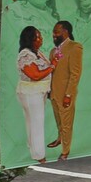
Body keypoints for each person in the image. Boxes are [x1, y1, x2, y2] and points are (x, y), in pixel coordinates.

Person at [13, 25, 53, 164]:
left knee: (33, 121)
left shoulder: (37, 53)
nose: (41, 39)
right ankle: (39, 155)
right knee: (36, 122)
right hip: (31, 93)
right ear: (30, 39)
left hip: (39, 92)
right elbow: (35, 75)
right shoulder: (26, 55)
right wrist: (52, 67)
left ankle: (34, 150)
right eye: (38, 36)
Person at [48, 20, 83, 159]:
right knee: (58, 120)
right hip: (54, 93)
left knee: (67, 123)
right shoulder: (53, 51)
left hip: (65, 94)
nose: (54, 34)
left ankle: (65, 150)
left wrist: (68, 94)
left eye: (57, 32)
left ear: (66, 32)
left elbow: (75, 74)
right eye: (53, 32)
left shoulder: (75, 47)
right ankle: (59, 138)